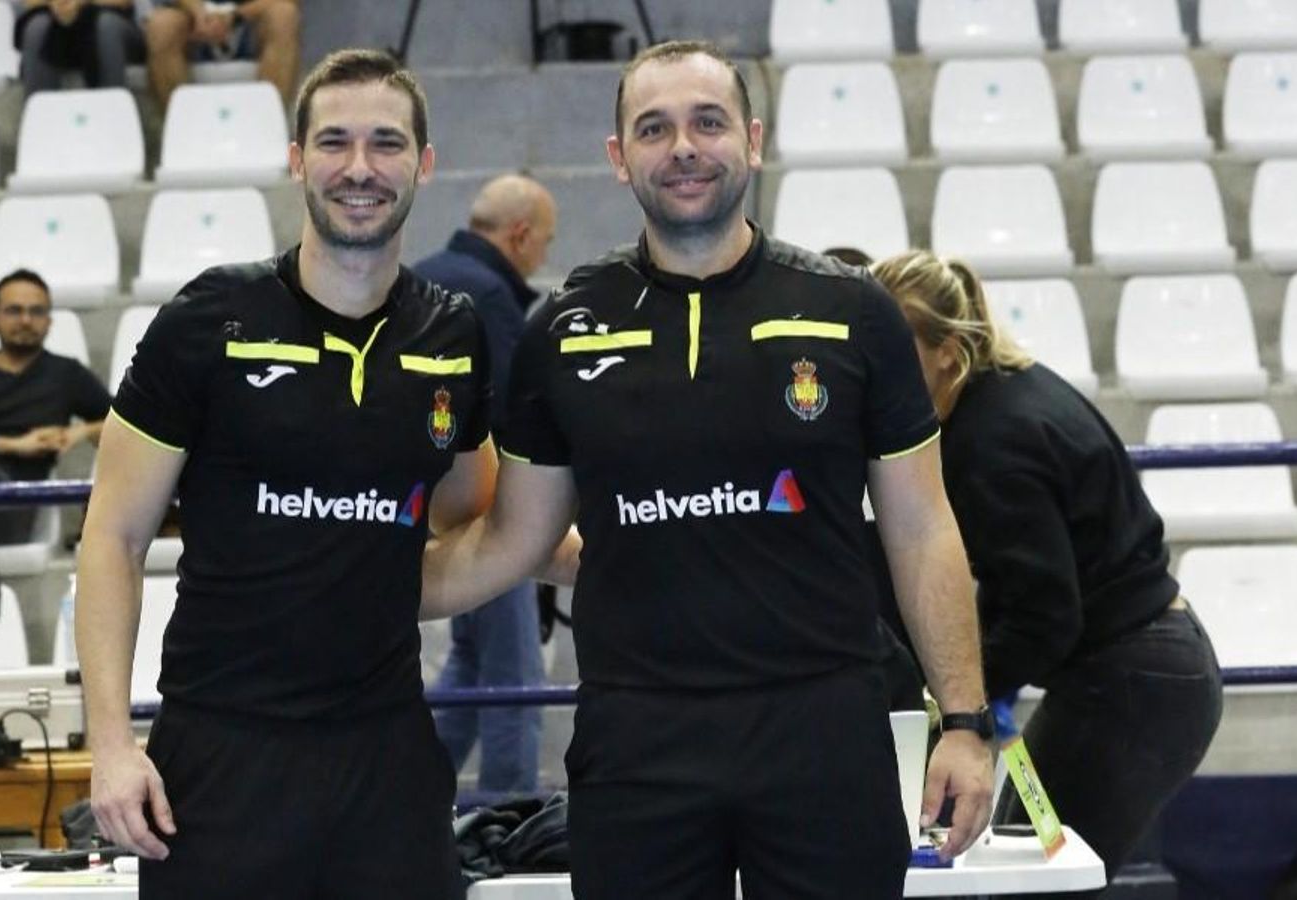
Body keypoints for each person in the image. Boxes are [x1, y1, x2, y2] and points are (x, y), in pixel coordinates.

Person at [421, 40, 994, 899]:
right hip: (638, 740)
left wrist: (966, 721)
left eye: (707, 123)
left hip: (822, 730)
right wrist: (365, 584)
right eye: (654, 129)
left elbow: (921, 528)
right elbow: (516, 539)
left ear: (752, 142)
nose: (683, 147)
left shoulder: (853, 313)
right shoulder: (563, 332)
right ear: (619, 157)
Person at [78, 48, 494, 899]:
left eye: (386, 142)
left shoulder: (452, 335)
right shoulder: (208, 321)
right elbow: (113, 538)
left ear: (423, 163)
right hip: (223, 753)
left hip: (386, 756)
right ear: (298, 159)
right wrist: (111, 744)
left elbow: (477, 512)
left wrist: (611, 553)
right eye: (334, 142)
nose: (359, 167)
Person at [869, 249, 1224, 895]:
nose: (876, 366)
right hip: (1141, 668)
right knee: (1028, 871)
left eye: (894, 349)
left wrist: (958, 710)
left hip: (1133, 680)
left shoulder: (990, 442)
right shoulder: (1008, 393)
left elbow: (1045, 617)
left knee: (1033, 882)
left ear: (947, 352)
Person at [416, 173, 557, 795]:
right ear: (521, 235)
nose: (543, 256)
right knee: (514, 678)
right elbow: (511, 421)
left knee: (473, 664)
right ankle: (510, 820)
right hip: (487, 511)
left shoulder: (419, 278)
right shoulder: (490, 299)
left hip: (421, 508)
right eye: (545, 242)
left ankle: (413, 792)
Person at [0, 270, 110, 545]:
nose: (26, 320)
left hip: (14, 502)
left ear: (49, 322)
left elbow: (127, 422)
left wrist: (81, 431)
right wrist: (13, 445)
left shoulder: (66, 374)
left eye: (36, 311)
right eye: (14, 311)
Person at [144, 0, 301, 108]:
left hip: (250, 18)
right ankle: (182, 127)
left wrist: (235, 17)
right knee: (161, 26)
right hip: (193, 18)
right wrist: (199, 13)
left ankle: (268, 125)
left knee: (284, 15)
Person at [14, 0, 146, 95]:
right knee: (37, 29)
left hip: (114, 23)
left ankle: (112, 115)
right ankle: (42, 118)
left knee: (106, 26)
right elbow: (29, 3)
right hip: (57, 24)